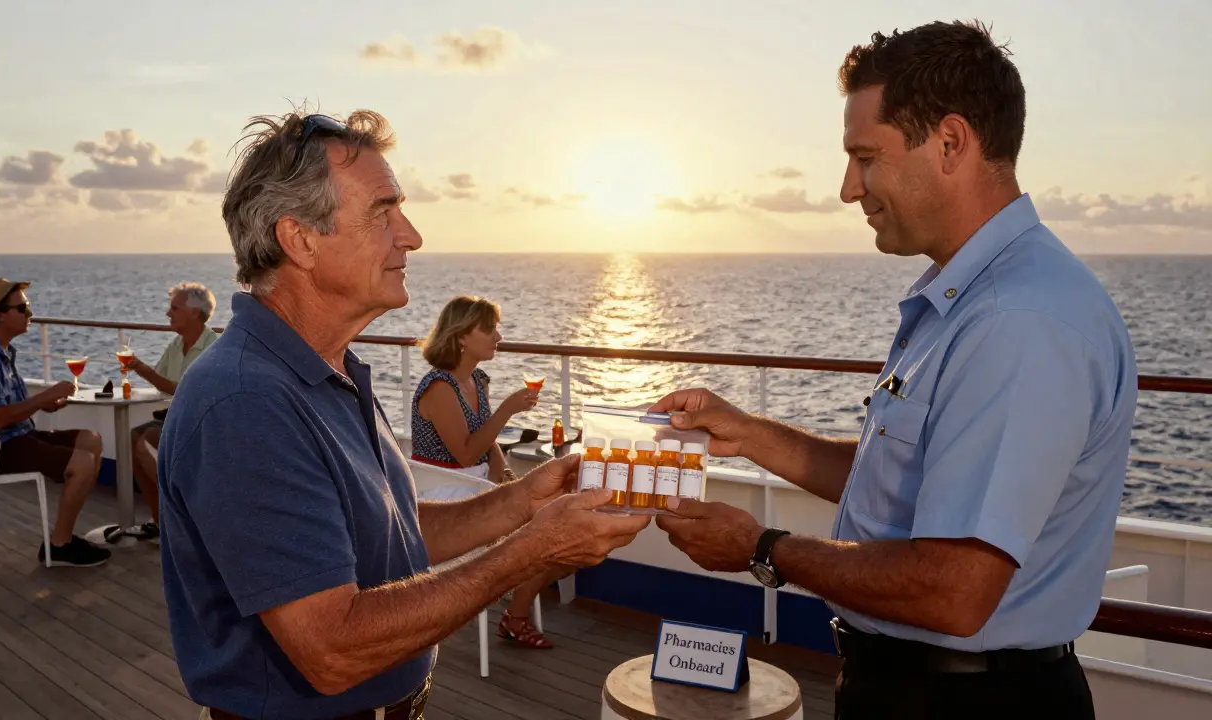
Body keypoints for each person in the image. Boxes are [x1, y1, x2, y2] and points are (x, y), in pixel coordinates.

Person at [651, 20, 1137, 720]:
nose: (850, 188)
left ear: (949, 143)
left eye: (865, 157)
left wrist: (760, 546)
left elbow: (955, 590)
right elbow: (907, 488)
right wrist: (749, 433)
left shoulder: (1017, 320)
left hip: (970, 700)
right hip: (922, 687)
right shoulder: (969, 300)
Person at [155, 108, 650, 719]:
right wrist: (534, 551)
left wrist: (526, 503)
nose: (411, 235)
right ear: (300, 240)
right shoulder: (245, 403)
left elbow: (396, 530)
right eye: (382, 213)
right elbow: (331, 649)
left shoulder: (327, 368)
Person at [413, 294, 568, 649]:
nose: (498, 337)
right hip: (446, 495)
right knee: (545, 530)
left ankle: (515, 612)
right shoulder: (438, 388)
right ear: (462, 336)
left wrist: (507, 476)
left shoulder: (478, 380)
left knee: (557, 520)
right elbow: (466, 453)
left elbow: (488, 442)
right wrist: (508, 411)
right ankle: (514, 617)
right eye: (489, 329)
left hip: (475, 483)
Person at [0, 278, 113, 567]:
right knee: (83, 462)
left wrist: (44, 404)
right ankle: (60, 545)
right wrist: (44, 395)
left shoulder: (1, 352)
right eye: (23, 308)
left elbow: (9, 409)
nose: (30, 314)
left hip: (12, 437)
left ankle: (64, 537)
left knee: (91, 440)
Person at [108, 281, 219, 543]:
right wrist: (136, 369)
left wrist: (140, 368)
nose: (168, 314)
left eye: (174, 308)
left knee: (145, 439)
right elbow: (163, 383)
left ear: (194, 313)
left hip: (202, 426)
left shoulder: (213, 346)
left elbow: (182, 390)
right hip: (178, 419)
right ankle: (160, 522)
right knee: (134, 437)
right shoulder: (176, 344)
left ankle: (180, 518)